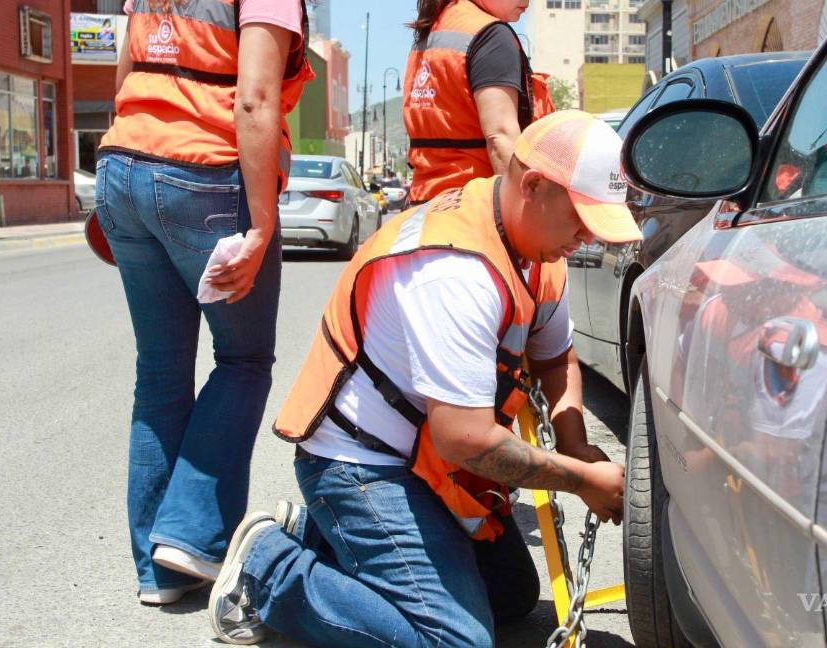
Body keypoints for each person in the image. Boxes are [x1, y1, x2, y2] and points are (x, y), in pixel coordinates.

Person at [204, 110, 639, 647]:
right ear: (533, 186)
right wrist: (579, 479)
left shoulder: (538, 246)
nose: (586, 239)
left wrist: (576, 444)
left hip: (426, 458)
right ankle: (270, 571)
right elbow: (466, 440)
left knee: (510, 597)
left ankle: (320, 539)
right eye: (581, 220)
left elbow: (555, 358)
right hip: (362, 465)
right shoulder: (455, 271)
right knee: (454, 641)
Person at [94, 0, 314, 606]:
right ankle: (192, 536)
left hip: (122, 165)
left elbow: (124, 77)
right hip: (204, 174)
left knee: (160, 369)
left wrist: (125, 187)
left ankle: (157, 573)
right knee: (244, 359)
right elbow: (253, 99)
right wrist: (265, 225)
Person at [403, 0, 555, 205]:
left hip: (425, 204)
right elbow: (500, 136)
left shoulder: (435, 28)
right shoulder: (491, 36)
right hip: (472, 209)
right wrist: (523, 212)